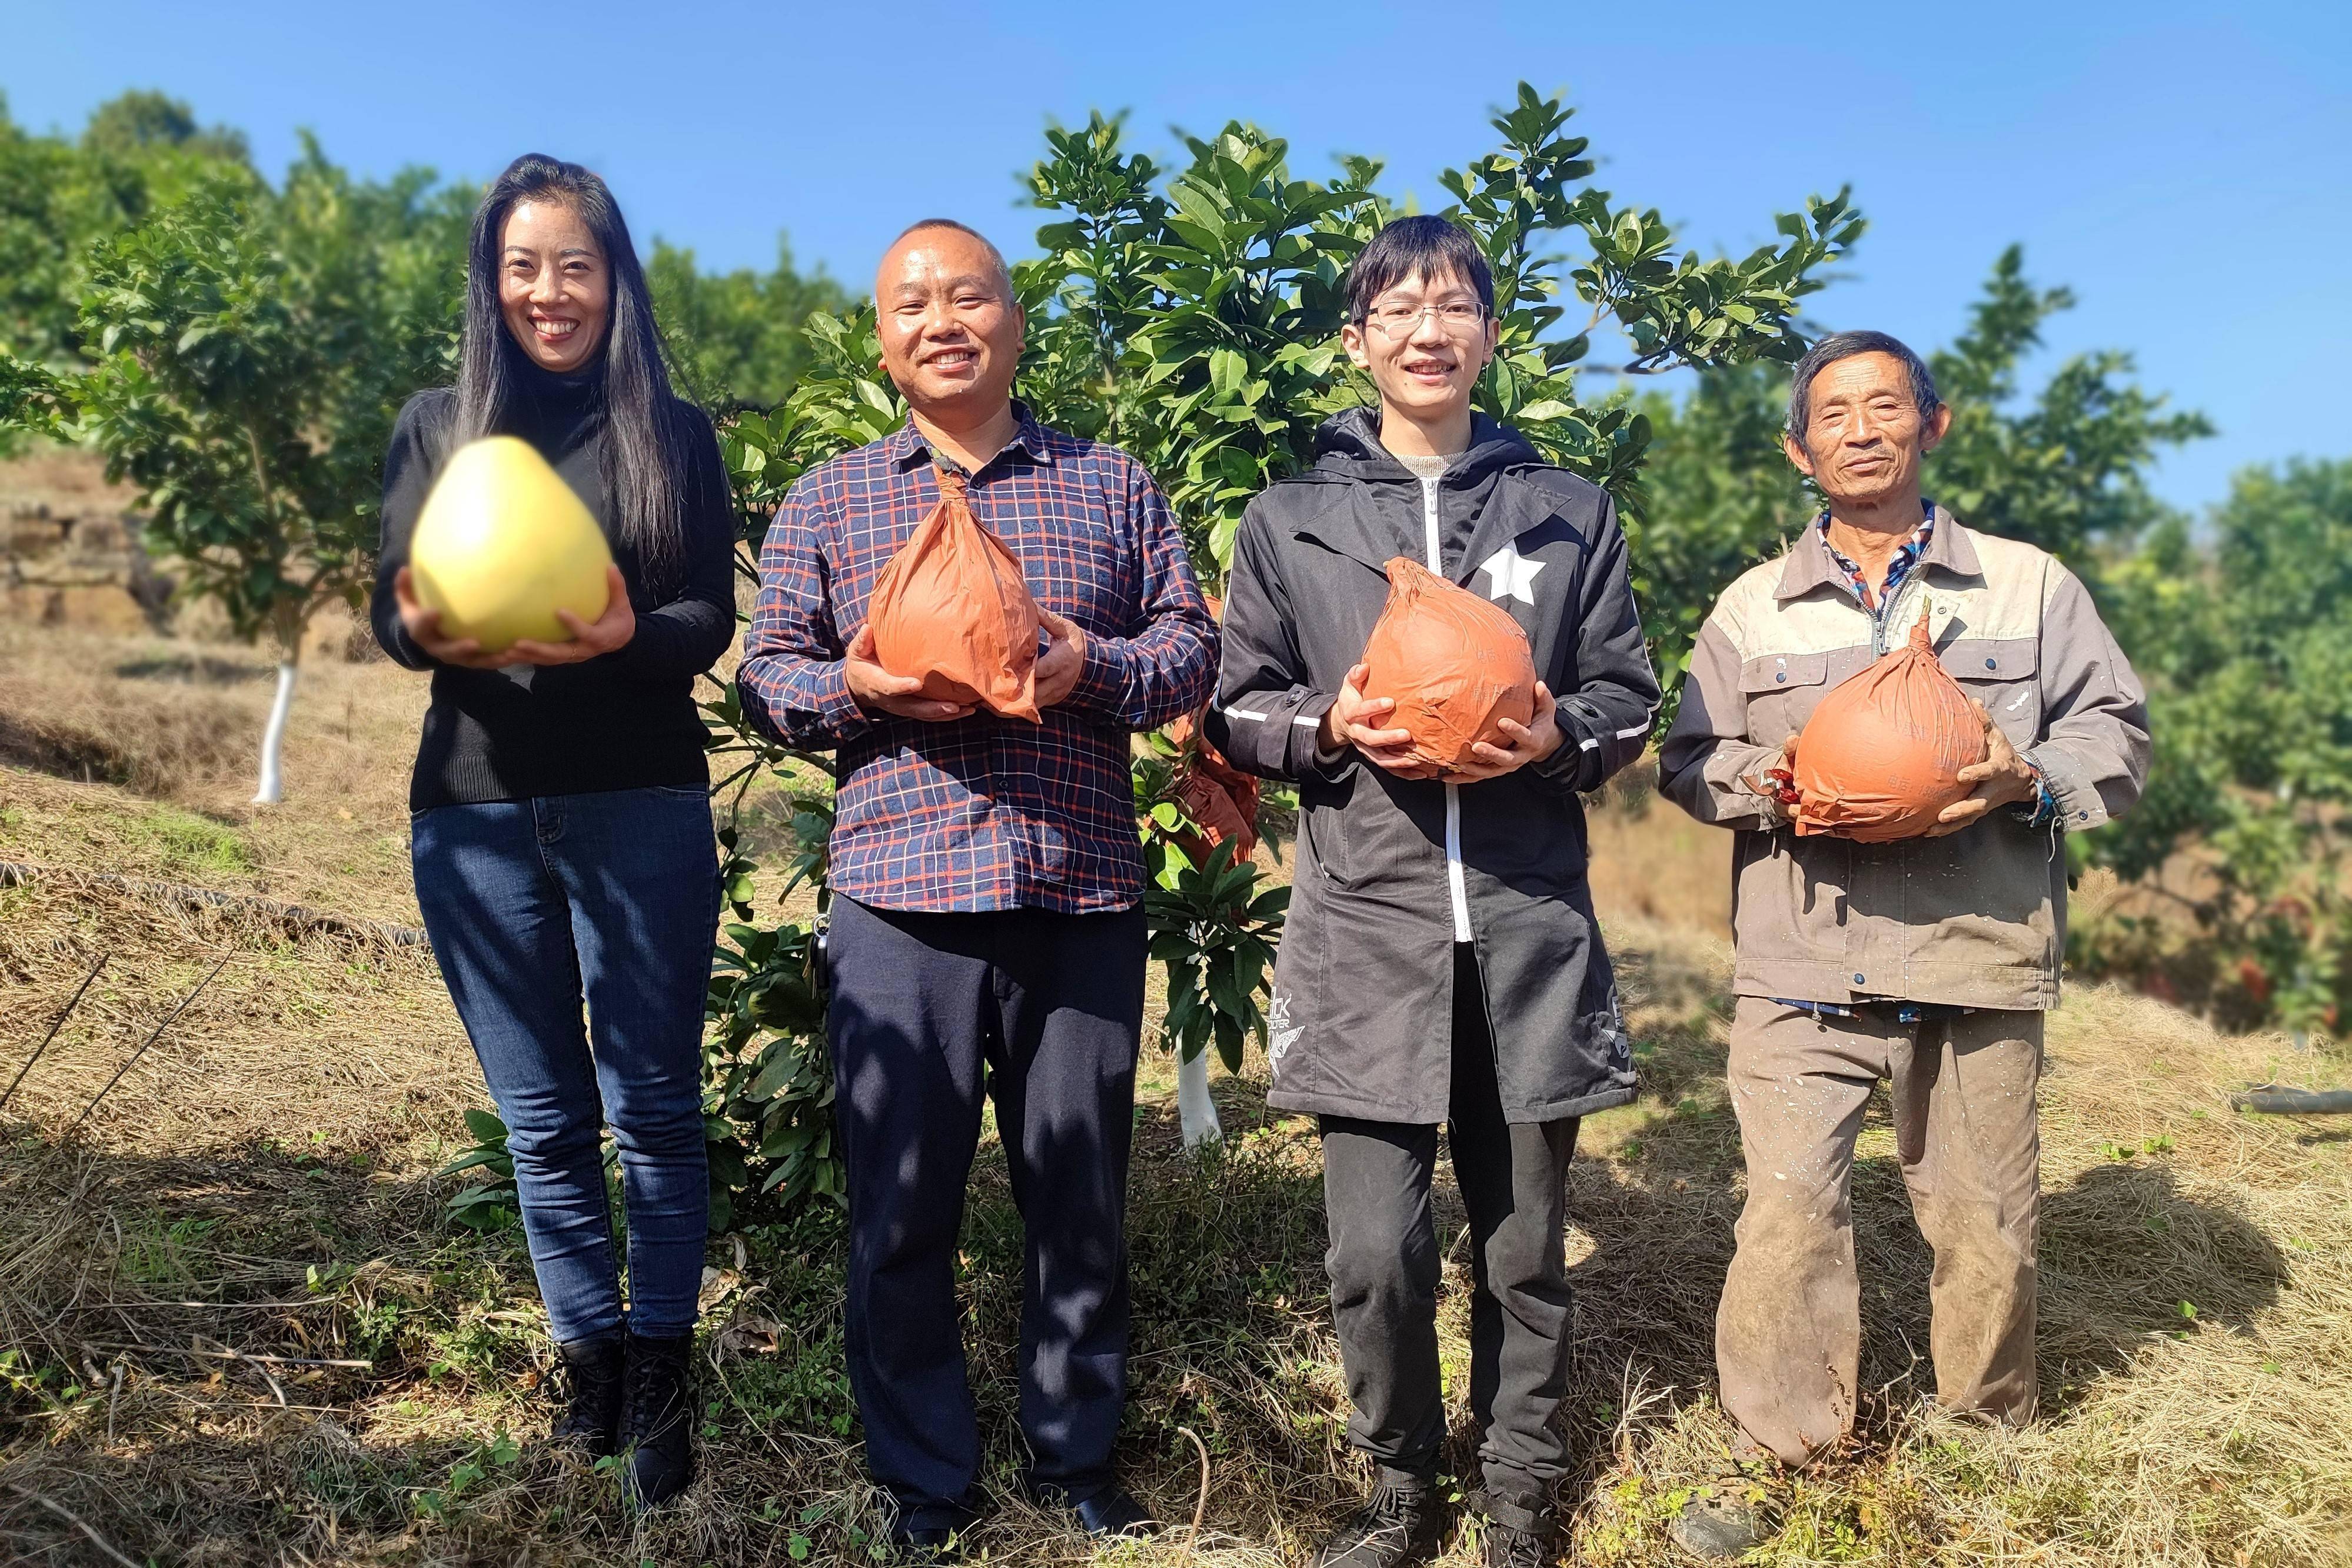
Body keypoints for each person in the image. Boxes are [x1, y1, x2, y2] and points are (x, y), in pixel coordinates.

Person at [736, 218, 1218, 1560]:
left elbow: (1193, 653)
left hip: (1077, 893)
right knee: (903, 1207)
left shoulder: (1108, 484)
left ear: (1013, 318)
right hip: (899, 900)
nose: (942, 319)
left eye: (969, 296)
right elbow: (767, 670)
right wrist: (855, 688)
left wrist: (1095, 667)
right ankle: (925, 1478)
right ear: (883, 339)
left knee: (1078, 1193)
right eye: (912, 304)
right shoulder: (832, 498)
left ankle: (1075, 1454)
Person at [1208, 215, 1660, 1568]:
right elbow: (1238, 710)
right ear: (1357, 341)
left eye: (1452, 303)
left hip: (1525, 924)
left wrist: (1555, 738)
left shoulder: (1566, 511)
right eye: (1397, 307)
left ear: (1488, 334)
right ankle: (1401, 1484)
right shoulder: (1290, 520)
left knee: (1524, 1247)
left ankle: (1520, 1491)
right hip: (1365, 926)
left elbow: (1623, 697)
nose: (1426, 328)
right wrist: (1329, 723)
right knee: (1377, 1252)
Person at [1655, 331, 2150, 1554]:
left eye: (1887, 407)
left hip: (1976, 952)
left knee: (1983, 1221)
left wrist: (2020, 780)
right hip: (1803, 962)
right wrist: (1769, 781)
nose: (1861, 429)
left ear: (1934, 426)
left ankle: (1984, 1437)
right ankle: (1785, 1452)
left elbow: (2117, 737)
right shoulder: (1749, 607)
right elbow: (1685, 758)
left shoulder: (2029, 587)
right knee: (1784, 1214)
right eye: (1834, 413)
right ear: (1797, 447)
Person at [371, 154, 737, 1512]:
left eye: (574, 264)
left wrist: (629, 634)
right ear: (493, 281)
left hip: (640, 802)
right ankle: (587, 1359)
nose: (549, 291)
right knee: (541, 1120)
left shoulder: (672, 432)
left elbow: (710, 616)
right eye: (523, 266)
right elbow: (387, 616)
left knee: (652, 1106)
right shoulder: (438, 428)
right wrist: (429, 621)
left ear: (615, 279)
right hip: (470, 812)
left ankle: (662, 1366)